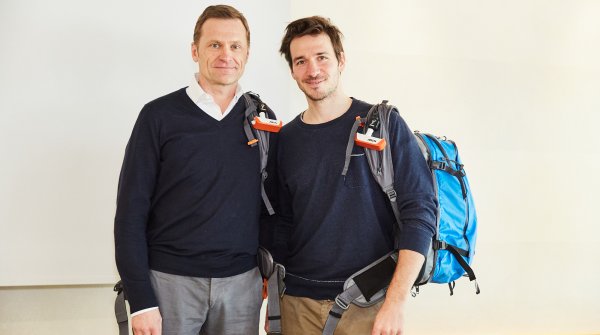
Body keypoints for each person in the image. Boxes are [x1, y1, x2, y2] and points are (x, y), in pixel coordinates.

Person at [114, 5, 277, 335]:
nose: (226, 55)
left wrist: (269, 281)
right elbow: (130, 214)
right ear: (195, 50)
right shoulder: (157, 117)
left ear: (247, 54)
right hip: (169, 283)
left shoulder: (263, 121)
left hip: (241, 287)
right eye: (214, 44)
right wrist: (141, 301)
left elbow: (272, 209)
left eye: (235, 46)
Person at [271, 16, 437, 334]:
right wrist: (275, 299)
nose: (313, 70)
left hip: (369, 303)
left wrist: (396, 302)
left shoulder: (385, 125)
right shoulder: (286, 139)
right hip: (296, 304)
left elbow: (420, 213)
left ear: (341, 60)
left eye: (322, 57)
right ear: (292, 70)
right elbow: (282, 224)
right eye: (301, 61)